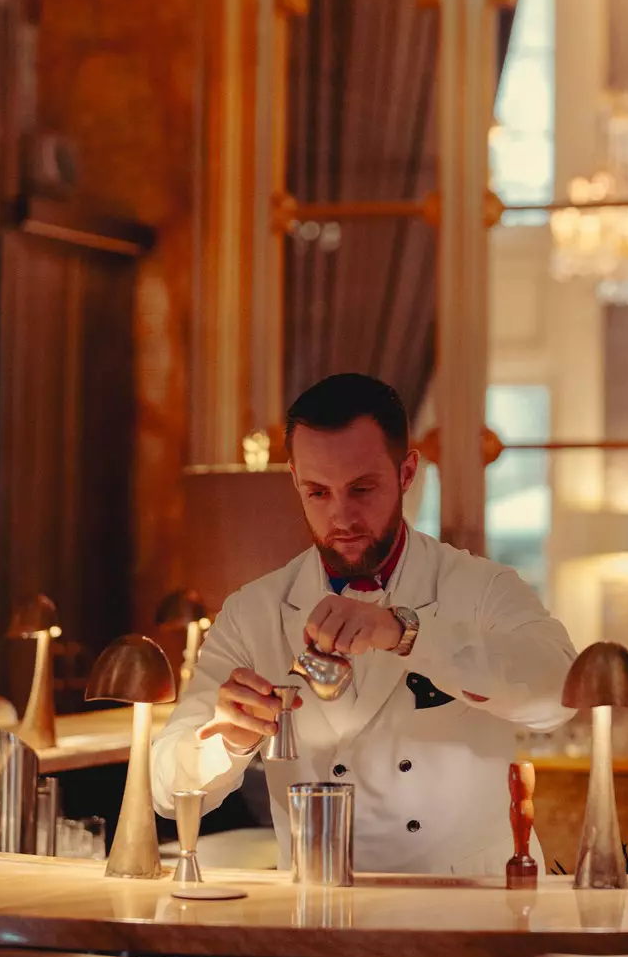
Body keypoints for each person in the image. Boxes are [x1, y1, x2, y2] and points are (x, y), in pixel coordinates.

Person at [152, 373, 578, 875]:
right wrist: (226, 737)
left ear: (407, 472)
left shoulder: (480, 587)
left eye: (362, 488)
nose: (342, 516)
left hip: (467, 908)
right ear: (294, 479)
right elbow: (165, 788)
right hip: (319, 910)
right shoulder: (254, 613)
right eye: (317, 492)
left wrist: (407, 634)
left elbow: (560, 691)